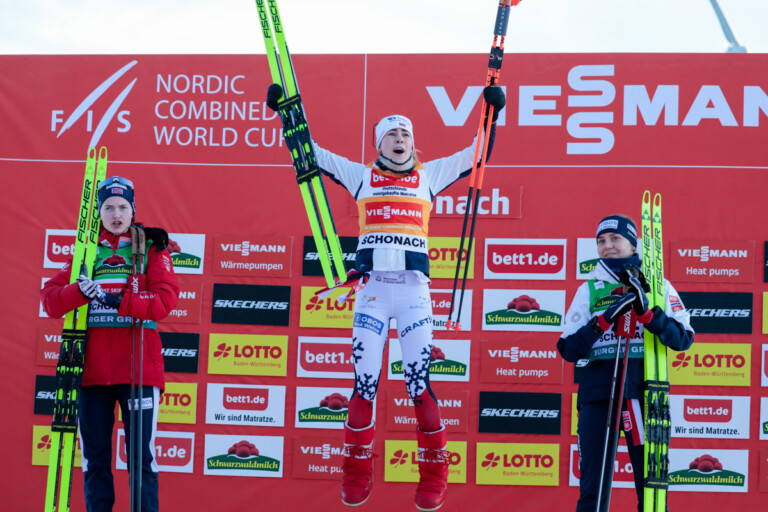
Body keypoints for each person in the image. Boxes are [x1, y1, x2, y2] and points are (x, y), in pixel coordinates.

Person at [267, 84, 505, 511]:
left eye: (406, 136)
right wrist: (287, 114)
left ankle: (434, 473)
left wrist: (493, 114)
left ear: (414, 143)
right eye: (392, 136)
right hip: (373, 292)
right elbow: (311, 155)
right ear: (379, 143)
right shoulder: (361, 176)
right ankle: (356, 470)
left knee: (419, 384)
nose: (400, 141)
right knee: (365, 384)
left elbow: (477, 155)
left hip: (414, 295)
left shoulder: (428, 176)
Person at [41, 176, 179, 512]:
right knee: (95, 460)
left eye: (122, 207)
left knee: (140, 461)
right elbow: (50, 300)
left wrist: (117, 301)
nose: (116, 214)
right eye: (108, 207)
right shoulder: (86, 251)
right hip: (90, 373)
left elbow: (165, 300)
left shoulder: (151, 246)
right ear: (98, 212)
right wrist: (79, 291)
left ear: (133, 210)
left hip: (138, 371)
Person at [556, 214, 694, 512]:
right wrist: (602, 322)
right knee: (593, 488)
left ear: (633, 243)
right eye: (601, 241)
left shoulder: (659, 286)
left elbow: (682, 339)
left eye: (615, 239)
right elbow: (567, 349)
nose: (608, 246)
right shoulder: (589, 289)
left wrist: (650, 316)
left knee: (652, 489)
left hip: (645, 394)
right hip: (598, 397)